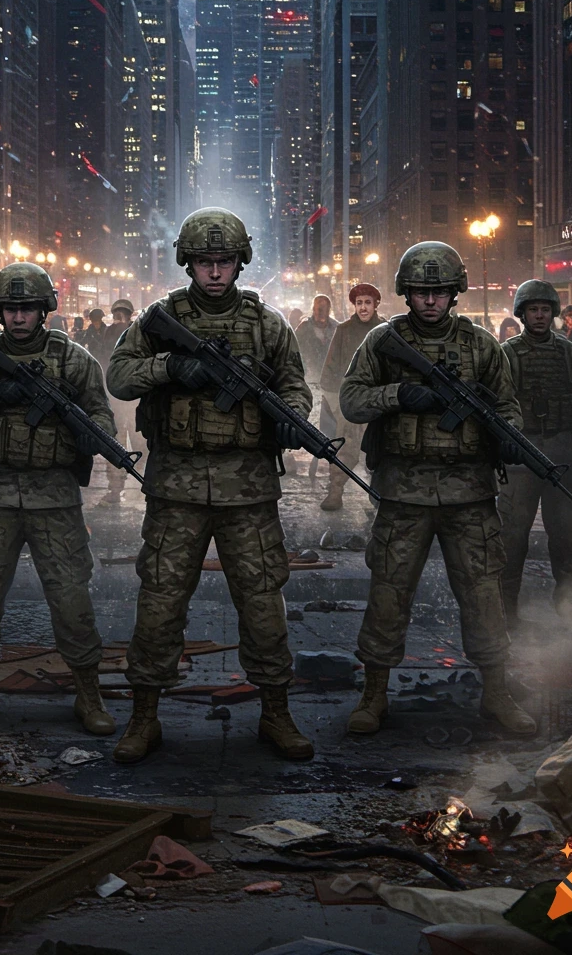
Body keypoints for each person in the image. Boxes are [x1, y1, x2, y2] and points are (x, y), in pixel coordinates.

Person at [106, 207, 314, 764]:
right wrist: (172, 368)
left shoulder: (268, 325)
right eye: (204, 261)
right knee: (159, 603)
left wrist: (293, 419)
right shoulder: (159, 318)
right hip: (176, 487)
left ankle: (276, 710)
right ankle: (144, 714)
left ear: (240, 262)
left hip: (248, 489)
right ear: (188, 262)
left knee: (264, 602)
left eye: (224, 261)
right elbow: (119, 377)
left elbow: (295, 387)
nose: (215, 272)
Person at [338, 242, 536, 737]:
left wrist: (510, 439)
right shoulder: (384, 341)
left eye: (440, 291)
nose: (430, 301)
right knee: (389, 592)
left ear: (455, 293)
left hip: (470, 494)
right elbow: (351, 400)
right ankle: (374, 693)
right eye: (422, 292)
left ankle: (497, 691)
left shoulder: (482, 345)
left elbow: (508, 407)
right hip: (403, 492)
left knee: (483, 594)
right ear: (407, 293)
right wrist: (399, 394)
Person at [0, 262, 116, 736]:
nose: (18, 318)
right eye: (11, 309)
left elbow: (104, 424)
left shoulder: (75, 359)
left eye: (28, 308)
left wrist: (74, 420)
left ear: (45, 310)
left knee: (71, 598)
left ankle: (88, 694)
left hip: (55, 499)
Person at [497, 281, 572, 624]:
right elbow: (498, 400)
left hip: (560, 450)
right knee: (512, 536)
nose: (539, 316)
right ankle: (507, 609)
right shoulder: (507, 353)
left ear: (553, 313)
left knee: (566, 535)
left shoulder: (571, 353)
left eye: (545, 310)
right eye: (533, 310)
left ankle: (568, 605)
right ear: (522, 313)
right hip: (522, 455)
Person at [317, 284, 383, 512]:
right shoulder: (344, 330)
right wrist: (339, 406)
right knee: (346, 451)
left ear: (376, 304)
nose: (363, 308)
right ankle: (335, 492)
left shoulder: (386, 330)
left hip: (379, 404)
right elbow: (330, 369)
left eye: (367, 302)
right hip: (351, 404)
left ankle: (381, 497)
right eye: (359, 303)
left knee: (382, 452)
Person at [98, 298, 145, 506]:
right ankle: (115, 490)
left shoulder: (137, 332)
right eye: (116, 314)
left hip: (134, 397)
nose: (118, 318)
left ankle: (144, 488)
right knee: (115, 444)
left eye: (121, 315)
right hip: (114, 396)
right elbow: (103, 358)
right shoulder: (108, 333)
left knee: (142, 444)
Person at [294, 295, 338, 385]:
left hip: (330, 379)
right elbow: (293, 349)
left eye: (322, 309)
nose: (319, 312)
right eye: (316, 309)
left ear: (328, 310)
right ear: (313, 309)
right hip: (309, 378)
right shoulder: (304, 327)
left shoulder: (336, 327)